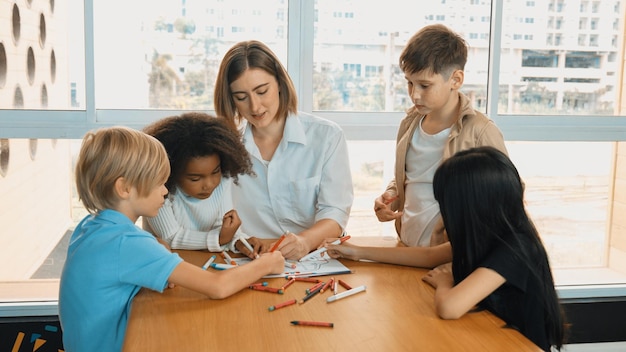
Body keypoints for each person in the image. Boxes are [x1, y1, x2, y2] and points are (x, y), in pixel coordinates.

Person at [59, 126, 284, 351]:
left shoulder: (90, 226)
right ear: (125, 188)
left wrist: (155, 250)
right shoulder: (128, 243)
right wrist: (267, 263)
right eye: (159, 183)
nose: (165, 191)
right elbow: (218, 287)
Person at [325, 24, 508, 266]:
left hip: (451, 260)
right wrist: (391, 195)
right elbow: (411, 177)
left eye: (424, 85)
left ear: (455, 80)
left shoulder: (480, 131)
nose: (415, 95)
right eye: (409, 83)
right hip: (408, 248)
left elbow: (509, 198)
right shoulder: (410, 123)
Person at [214, 40, 353, 260]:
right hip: (250, 261)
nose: (255, 107)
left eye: (262, 91)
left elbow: (335, 213)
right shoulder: (225, 146)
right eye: (241, 97)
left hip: (310, 258)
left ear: (280, 83)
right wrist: (239, 241)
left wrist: (305, 241)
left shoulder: (327, 136)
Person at [422, 146, 566, 351]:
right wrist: (360, 251)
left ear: (470, 206)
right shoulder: (488, 236)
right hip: (492, 339)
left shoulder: (517, 248)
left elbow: (449, 307)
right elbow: (428, 256)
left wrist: (444, 283)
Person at [142, 112, 254, 255]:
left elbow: (222, 228)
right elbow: (170, 237)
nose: (209, 184)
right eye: (195, 179)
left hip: (205, 262)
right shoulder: (159, 191)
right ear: (172, 174)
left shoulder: (223, 180)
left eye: (215, 172)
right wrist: (219, 239)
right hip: (167, 264)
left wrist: (240, 242)